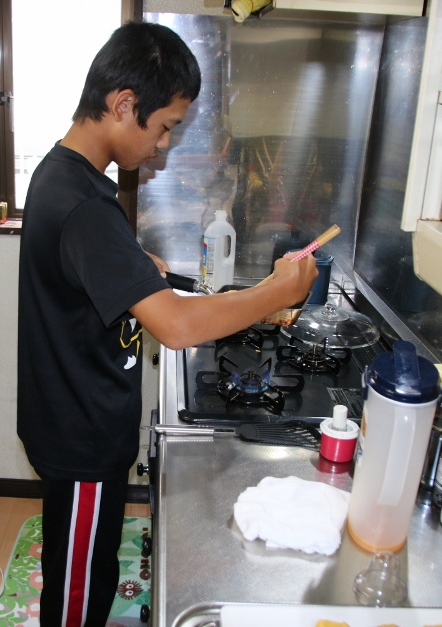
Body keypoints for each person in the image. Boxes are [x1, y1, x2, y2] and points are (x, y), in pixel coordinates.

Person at [16, 21, 318, 627]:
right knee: (76, 599)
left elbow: (84, 272)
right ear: (123, 105)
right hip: (80, 438)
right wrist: (275, 292)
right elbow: (176, 327)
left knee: (93, 572)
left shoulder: (66, 176)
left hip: (80, 419)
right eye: (164, 127)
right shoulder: (84, 205)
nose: (162, 145)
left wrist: (130, 266)